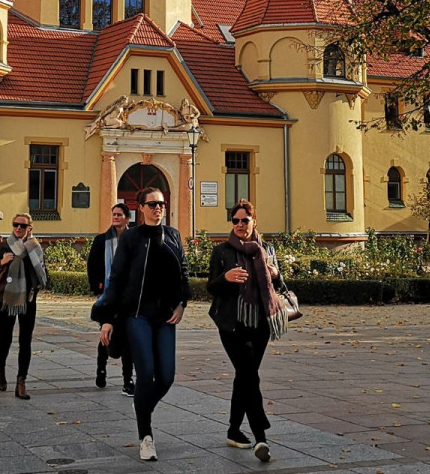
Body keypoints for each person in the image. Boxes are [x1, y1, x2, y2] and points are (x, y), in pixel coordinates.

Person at [98, 187, 189, 462]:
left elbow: (183, 272)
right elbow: (117, 277)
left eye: (161, 203)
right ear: (140, 208)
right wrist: (107, 318)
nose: (158, 208)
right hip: (136, 315)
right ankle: (145, 435)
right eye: (152, 204)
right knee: (146, 372)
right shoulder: (132, 238)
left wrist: (182, 303)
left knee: (167, 376)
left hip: (165, 316)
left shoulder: (173, 235)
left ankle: (143, 410)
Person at [207, 200, 286, 462]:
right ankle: (261, 436)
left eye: (245, 220)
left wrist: (274, 274)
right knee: (250, 376)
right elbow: (212, 287)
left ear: (255, 221)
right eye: (236, 221)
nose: (240, 225)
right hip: (231, 324)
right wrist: (225, 278)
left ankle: (233, 430)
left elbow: (280, 285)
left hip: (261, 324)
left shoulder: (266, 249)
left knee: (245, 377)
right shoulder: (222, 251)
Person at [0, 213, 47, 400]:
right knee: (4, 340)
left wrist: (38, 285)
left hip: (28, 301)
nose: (18, 228)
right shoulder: (4, 245)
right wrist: (1, 262)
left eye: (22, 225)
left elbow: (44, 272)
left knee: (25, 341)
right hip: (6, 300)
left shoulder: (35, 248)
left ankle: (21, 382)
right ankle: (1, 370)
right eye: (15, 225)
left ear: (30, 228)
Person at [88, 203, 135, 395]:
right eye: (113, 214)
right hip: (108, 297)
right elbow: (92, 265)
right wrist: (98, 287)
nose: (115, 217)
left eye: (119, 215)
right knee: (106, 335)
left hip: (129, 297)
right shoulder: (101, 240)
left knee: (128, 339)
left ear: (127, 218)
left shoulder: (134, 239)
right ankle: (101, 368)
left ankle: (127, 379)